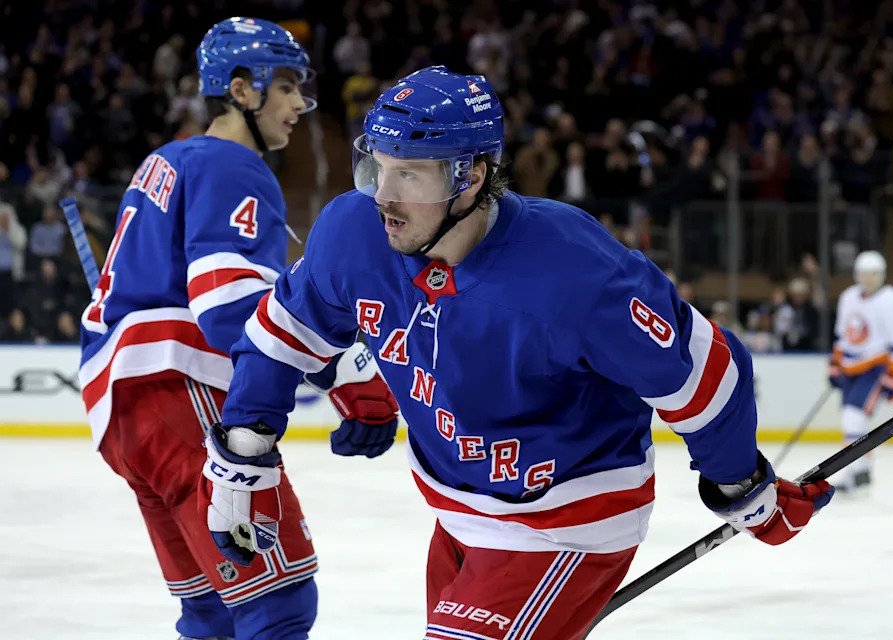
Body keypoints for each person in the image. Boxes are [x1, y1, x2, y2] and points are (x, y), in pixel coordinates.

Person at [211, 66, 833, 639]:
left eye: (410, 173)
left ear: (470, 176)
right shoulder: (352, 233)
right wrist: (238, 467)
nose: (382, 195)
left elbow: (703, 374)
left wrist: (741, 483)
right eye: (376, 166)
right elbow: (279, 336)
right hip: (456, 514)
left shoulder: (572, 268)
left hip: (568, 518)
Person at [78, 18, 397, 640]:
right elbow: (232, 305)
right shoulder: (233, 164)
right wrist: (349, 379)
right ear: (242, 90)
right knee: (275, 603)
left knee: (214, 612)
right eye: (285, 87)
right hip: (182, 394)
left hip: (124, 415)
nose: (300, 105)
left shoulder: (166, 160)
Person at [828, 251, 893, 491]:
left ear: (881, 274)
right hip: (850, 369)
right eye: (863, 273)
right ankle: (862, 469)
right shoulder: (848, 298)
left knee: (853, 417)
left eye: (873, 273)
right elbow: (841, 336)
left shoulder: (892, 300)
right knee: (851, 419)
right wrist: (835, 365)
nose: (867, 278)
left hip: (876, 367)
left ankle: (854, 474)